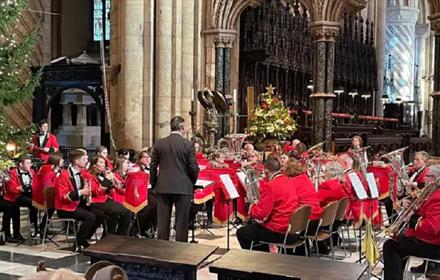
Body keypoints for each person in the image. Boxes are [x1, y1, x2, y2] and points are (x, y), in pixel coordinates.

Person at [383, 166, 440, 280]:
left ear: (436, 178)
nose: (425, 179)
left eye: (428, 176)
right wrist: (409, 206)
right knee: (396, 242)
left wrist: (412, 218)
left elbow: (432, 227)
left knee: (391, 246)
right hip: (429, 240)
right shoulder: (433, 193)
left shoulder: (437, 197)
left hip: (433, 245)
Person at [150, 116, 199, 242]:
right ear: (181, 128)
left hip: (163, 186)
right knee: (181, 223)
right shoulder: (188, 144)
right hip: (183, 187)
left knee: (163, 223)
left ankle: (162, 251)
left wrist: (154, 183)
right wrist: (192, 182)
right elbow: (193, 167)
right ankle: (179, 252)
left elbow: (153, 166)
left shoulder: (159, 143)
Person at [236, 157, 299, 251]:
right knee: (254, 228)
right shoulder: (287, 180)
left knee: (242, 232)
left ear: (266, 171)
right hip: (291, 228)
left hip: (279, 231)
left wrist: (250, 207)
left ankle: (261, 258)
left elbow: (261, 214)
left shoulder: (271, 186)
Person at [55, 150, 103, 252]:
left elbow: (93, 187)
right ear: (76, 161)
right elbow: (63, 196)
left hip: (78, 204)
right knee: (90, 217)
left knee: (101, 214)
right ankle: (78, 242)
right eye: (84, 159)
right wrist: (81, 192)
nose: (87, 161)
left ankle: (84, 238)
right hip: (66, 208)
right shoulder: (64, 175)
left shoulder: (83, 173)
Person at [84, 156, 131, 236]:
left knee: (123, 212)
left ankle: (113, 236)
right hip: (95, 200)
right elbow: (94, 192)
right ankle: (119, 235)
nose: (103, 165)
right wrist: (106, 180)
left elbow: (118, 186)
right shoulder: (88, 175)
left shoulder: (101, 175)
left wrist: (113, 180)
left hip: (105, 199)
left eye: (104, 163)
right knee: (125, 211)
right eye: (101, 163)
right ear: (94, 165)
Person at [4, 156, 39, 238]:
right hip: (15, 196)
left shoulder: (32, 171)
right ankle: (30, 229)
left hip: (28, 194)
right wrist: (24, 187)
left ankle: (34, 228)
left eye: (30, 163)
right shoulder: (12, 173)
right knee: (32, 203)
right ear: (20, 164)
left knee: (36, 203)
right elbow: (12, 189)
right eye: (28, 163)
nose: (30, 165)